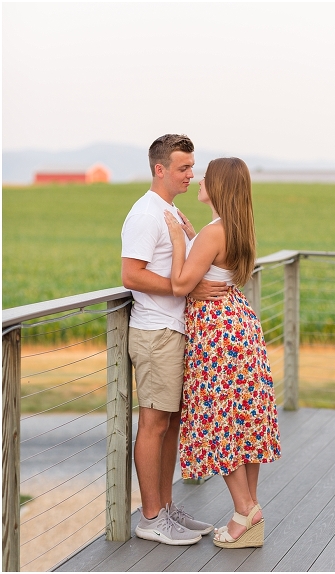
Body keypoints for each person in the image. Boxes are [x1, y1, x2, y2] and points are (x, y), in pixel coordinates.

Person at [163, 156, 281, 549]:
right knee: (244, 421)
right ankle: (246, 512)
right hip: (239, 328)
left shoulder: (214, 234)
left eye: (205, 177)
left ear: (219, 187)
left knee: (221, 422)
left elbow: (180, 283)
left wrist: (180, 242)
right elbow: (211, 270)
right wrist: (195, 238)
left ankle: (246, 511)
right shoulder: (235, 229)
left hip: (217, 337)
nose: (198, 180)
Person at [122, 134, 227, 545]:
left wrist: (186, 284)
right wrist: (181, 288)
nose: (191, 174)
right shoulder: (147, 214)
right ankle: (150, 517)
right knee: (153, 423)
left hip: (175, 331)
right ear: (160, 169)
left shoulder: (171, 212)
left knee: (170, 424)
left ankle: (165, 508)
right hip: (155, 332)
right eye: (184, 168)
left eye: (192, 166)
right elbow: (131, 275)